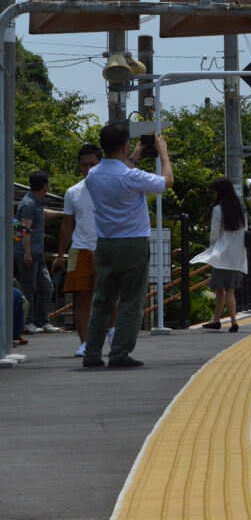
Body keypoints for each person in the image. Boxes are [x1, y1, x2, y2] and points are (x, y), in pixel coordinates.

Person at [82, 124, 173, 368]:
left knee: (102, 300)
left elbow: (119, 173)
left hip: (105, 244)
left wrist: (132, 156)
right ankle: (119, 353)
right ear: (124, 145)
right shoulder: (130, 176)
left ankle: (92, 353)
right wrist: (163, 152)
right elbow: (167, 182)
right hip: (132, 243)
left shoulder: (93, 175)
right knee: (131, 300)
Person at [54, 143, 116, 357]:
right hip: (79, 249)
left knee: (109, 295)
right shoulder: (73, 192)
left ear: (101, 164)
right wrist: (61, 254)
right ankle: (85, 342)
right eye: (84, 164)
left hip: (106, 247)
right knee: (81, 297)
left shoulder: (112, 187)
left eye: (93, 164)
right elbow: (67, 224)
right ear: (79, 167)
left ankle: (112, 334)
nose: (88, 168)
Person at [191, 177, 248, 332]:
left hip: (222, 254)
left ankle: (231, 321)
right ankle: (221, 320)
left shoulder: (218, 209)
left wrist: (212, 250)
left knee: (220, 289)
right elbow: (245, 231)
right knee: (230, 290)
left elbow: (214, 232)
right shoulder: (241, 208)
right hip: (237, 255)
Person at [15, 170, 64, 334]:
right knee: (29, 287)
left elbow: (41, 214)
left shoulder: (35, 201)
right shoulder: (28, 203)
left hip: (37, 252)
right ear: (45, 186)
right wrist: (26, 252)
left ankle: (42, 321)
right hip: (28, 252)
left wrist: (61, 214)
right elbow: (22, 228)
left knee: (46, 286)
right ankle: (29, 323)